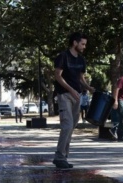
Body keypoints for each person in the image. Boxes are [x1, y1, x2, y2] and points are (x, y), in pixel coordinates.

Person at [52, 32, 95, 169]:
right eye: (82, 44)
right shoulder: (63, 57)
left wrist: (89, 88)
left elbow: (81, 78)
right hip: (64, 95)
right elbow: (58, 76)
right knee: (67, 125)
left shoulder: (81, 60)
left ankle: (63, 157)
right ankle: (59, 156)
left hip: (78, 95)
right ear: (74, 43)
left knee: (71, 127)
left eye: (85, 44)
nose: (84, 47)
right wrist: (70, 89)